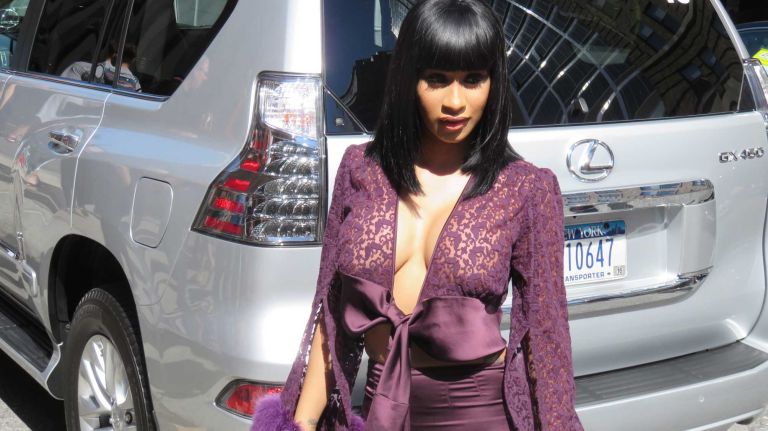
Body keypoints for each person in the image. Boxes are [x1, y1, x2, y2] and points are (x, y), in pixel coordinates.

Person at [252, 0, 582, 430]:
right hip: (382, 408)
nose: (455, 101)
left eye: (473, 80)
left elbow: (547, 336)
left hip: (478, 413)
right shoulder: (360, 171)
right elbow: (332, 313)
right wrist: (304, 421)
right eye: (437, 79)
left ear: (493, 84)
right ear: (409, 79)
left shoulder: (524, 188)